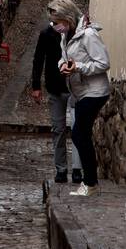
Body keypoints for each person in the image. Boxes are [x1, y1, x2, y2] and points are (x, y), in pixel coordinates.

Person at [48, 0, 110, 198]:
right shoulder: (68, 35)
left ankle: (90, 182)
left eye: (56, 22)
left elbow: (103, 63)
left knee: (79, 134)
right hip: (82, 92)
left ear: (67, 18)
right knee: (80, 134)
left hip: (95, 92)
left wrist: (79, 68)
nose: (54, 26)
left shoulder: (88, 35)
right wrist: (63, 66)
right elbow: (63, 58)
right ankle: (90, 182)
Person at [31, 15, 83, 184]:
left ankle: (77, 169)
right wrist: (36, 86)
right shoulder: (47, 34)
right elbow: (39, 59)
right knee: (58, 130)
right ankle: (61, 169)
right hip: (55, 88)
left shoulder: (76, 33)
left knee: (77, 129)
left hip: (75, 87)